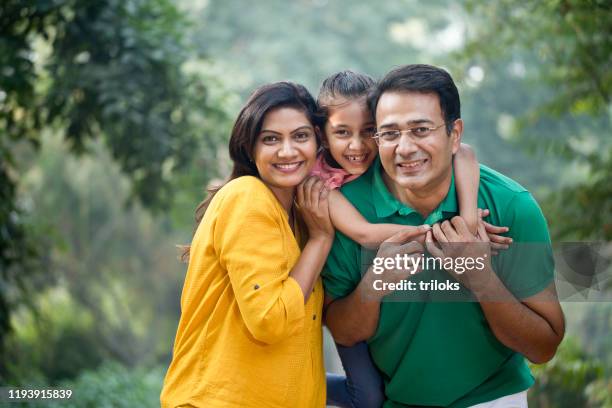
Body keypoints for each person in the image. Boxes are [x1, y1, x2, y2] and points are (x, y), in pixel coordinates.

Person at [323, 64, 565, 407]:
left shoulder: (509, 208)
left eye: (420, 129)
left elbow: (544, 346)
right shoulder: (348, 210)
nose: (404, 148)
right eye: (390, 133)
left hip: (494, 398)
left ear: (454, 135)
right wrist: (375, 281)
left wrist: (481, 277)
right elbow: (344, 332)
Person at [160, 82, 334, 408]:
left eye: (300, 136)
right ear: (249, 147)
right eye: (271, 139)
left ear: (317, 141)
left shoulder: (299, 217)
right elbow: (269, 320)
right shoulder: (247, 197)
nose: (287, 151)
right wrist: (321, 241)